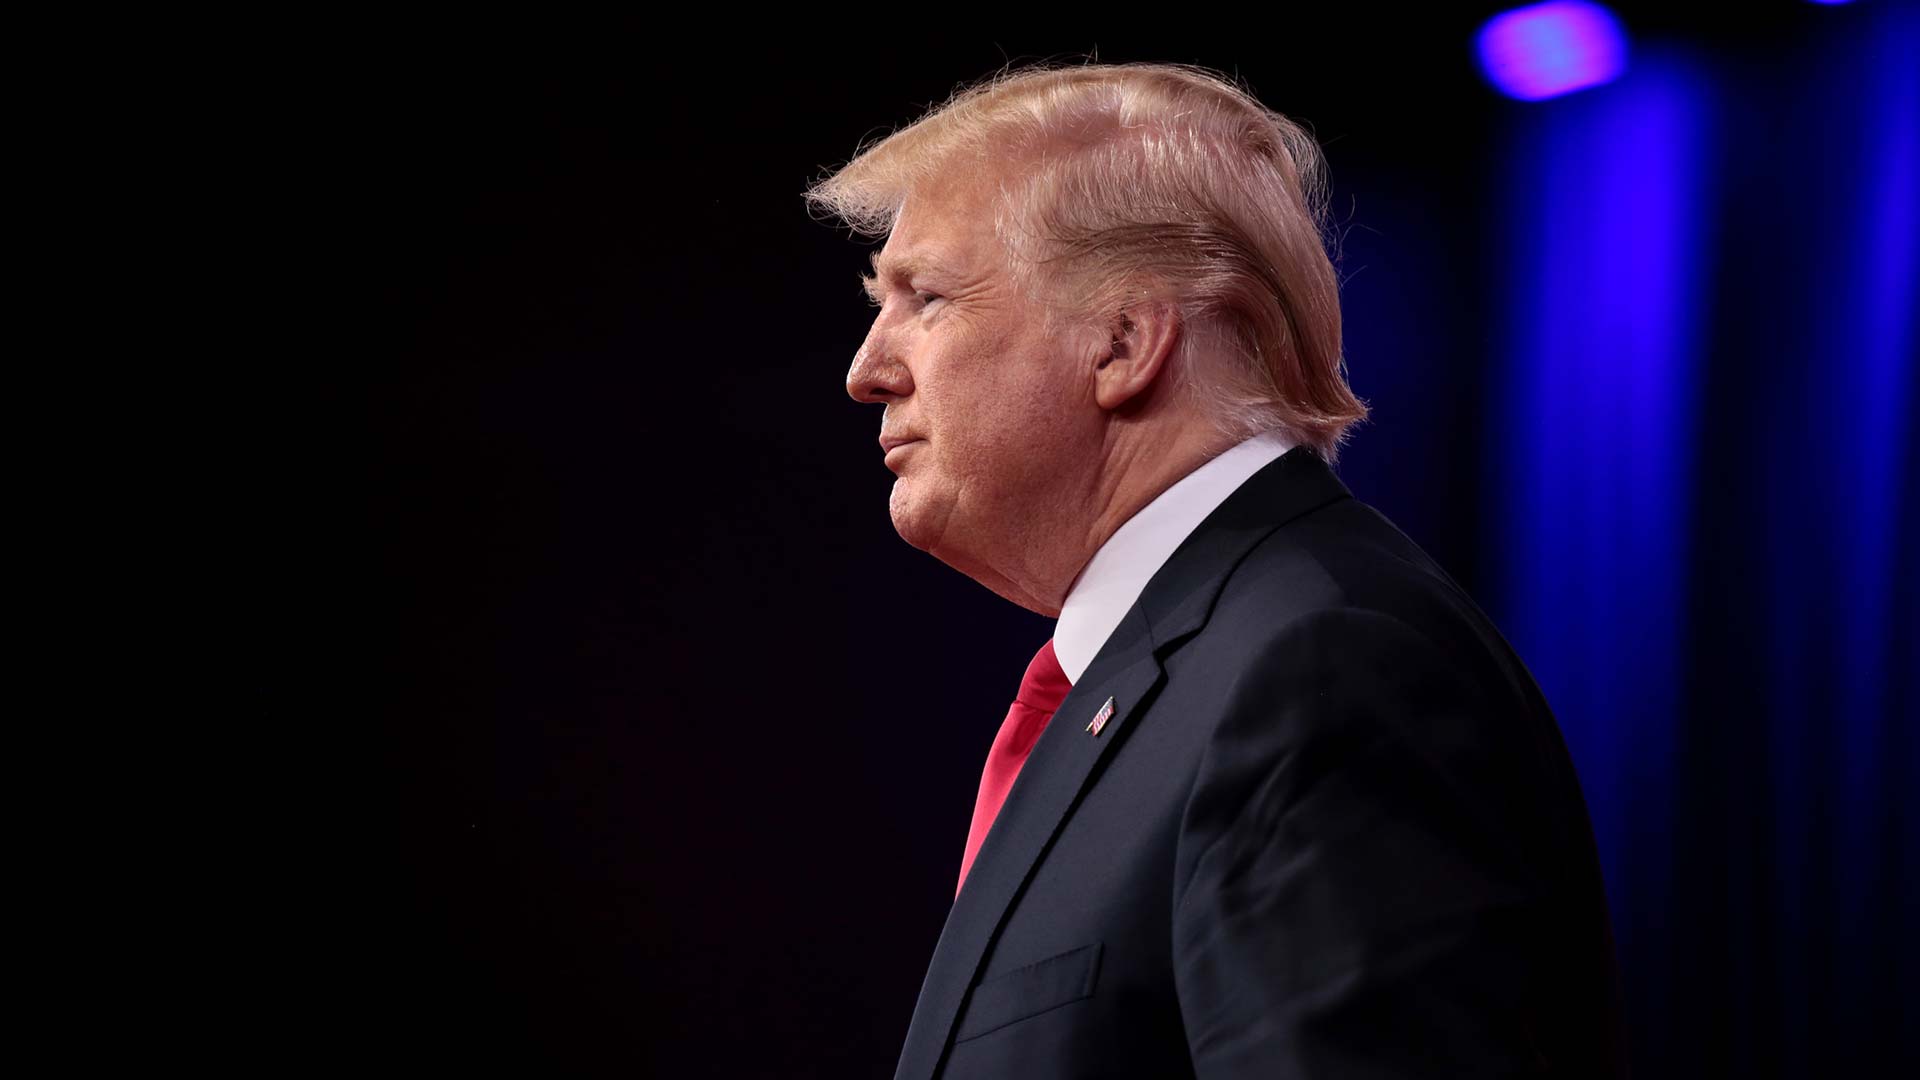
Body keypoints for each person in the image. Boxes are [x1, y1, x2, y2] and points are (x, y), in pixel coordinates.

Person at [807, 62, 1625, 1079]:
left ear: (1124, 341)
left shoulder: (1326, 670)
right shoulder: (1183, 676)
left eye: (924, 297)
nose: (866, 368)